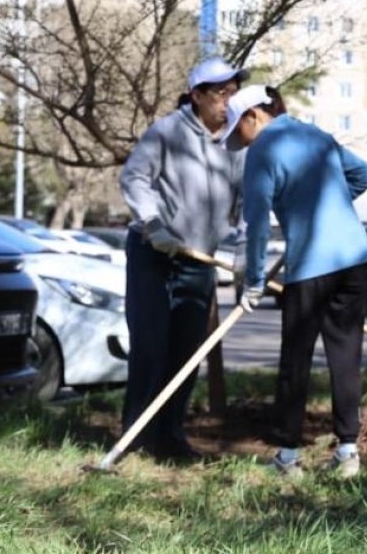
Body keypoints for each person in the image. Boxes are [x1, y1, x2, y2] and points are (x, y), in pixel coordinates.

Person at [220, 84, 367, 480]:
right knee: (346, 355)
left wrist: (253, 281)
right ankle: (347, 453)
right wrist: (328, 207)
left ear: (253, 115)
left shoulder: (262, 152)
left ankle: (288, 458)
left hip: (311, 266)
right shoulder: (317, 135)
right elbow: (365, 175)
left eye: (237, 128)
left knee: (296, 359)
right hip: (355, 258)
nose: (238, 139)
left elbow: (256, 224)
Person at [118, 57, 249, 461]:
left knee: (187, 354)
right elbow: (134, 177)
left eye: (233, 93)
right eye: (220, 93)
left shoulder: (235, 142)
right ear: (196, 95)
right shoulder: (168, 132)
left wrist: (246, 249)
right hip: (153, 255)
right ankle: (135, 441)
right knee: (151, 348)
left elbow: (248, 200)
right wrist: (152, 223)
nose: (228, 101)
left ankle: (170, 438)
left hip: (199, 262)